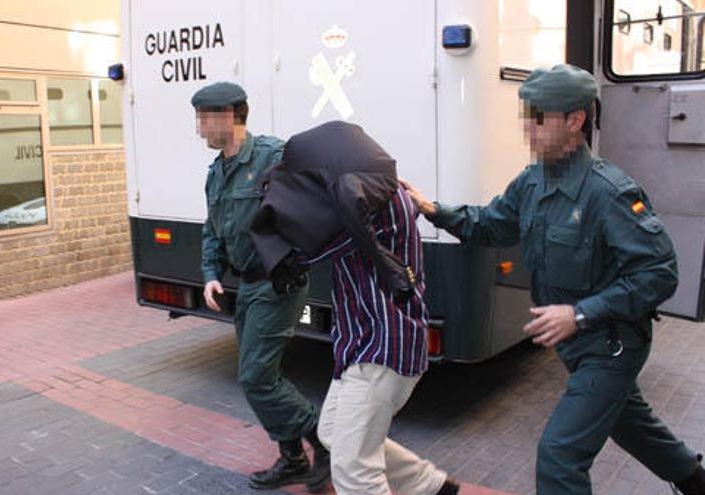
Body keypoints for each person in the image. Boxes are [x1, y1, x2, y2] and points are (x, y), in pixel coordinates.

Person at [402, 64, 705, 495]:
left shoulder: (610, 193)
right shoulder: (532, 181)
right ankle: (693, 480)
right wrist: (435, 210)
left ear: (575, 120)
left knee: (560, 457)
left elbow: (659, 274)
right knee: (628, 420)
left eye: (539, 118)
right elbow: (491, 226)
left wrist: (579, 313)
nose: (528, 128)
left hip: (611, 344)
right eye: (527, 116)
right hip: (578, 345)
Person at [251, 121, 460, 495]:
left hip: (382, 349)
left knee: (353, 469)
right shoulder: (377, 194)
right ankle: (430, 486)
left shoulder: (370, 209)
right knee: (334, 434)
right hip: (362, 348)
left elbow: (302, 255)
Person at [192, 81, 330, 492]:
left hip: (278, 283)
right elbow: (212, 229)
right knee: (259, 374)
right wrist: (211, 273)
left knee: (254, 376)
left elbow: (313, 203)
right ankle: (292, 458)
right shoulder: (216, 172)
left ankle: (325, 440)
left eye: (205, 118)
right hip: (246, 287)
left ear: (232, 114)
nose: (199, 129)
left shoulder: (274, 155)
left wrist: (297, 251)